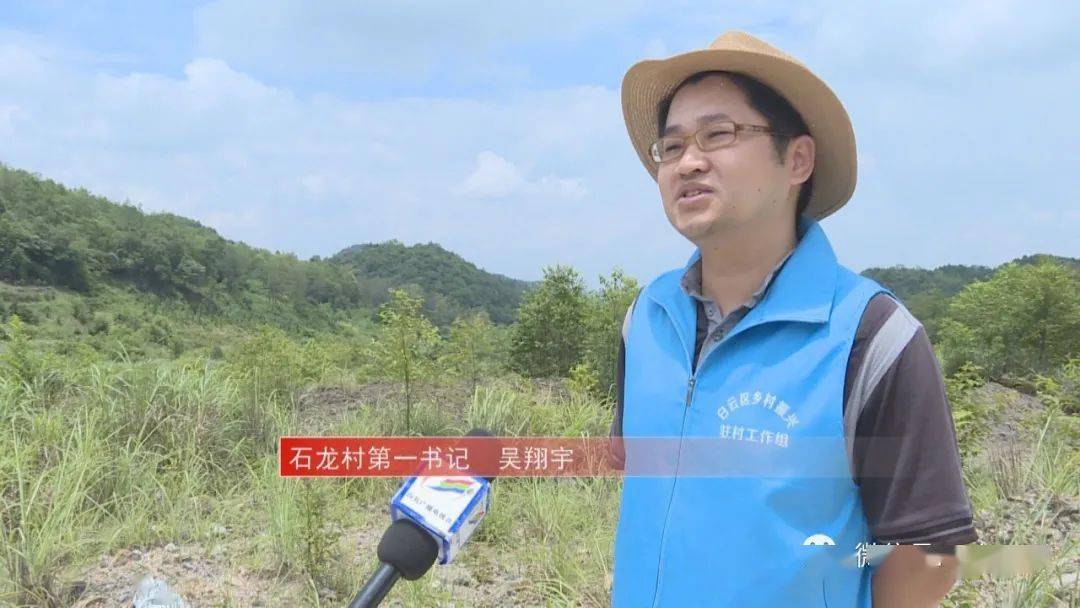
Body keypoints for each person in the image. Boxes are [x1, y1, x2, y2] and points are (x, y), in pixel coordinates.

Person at [609, 31, 977, 607]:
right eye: (672, 146)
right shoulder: (647, 319)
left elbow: (928, 551)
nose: (689, 162)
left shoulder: (871, 337)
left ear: (798, 159)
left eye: (719, 134)